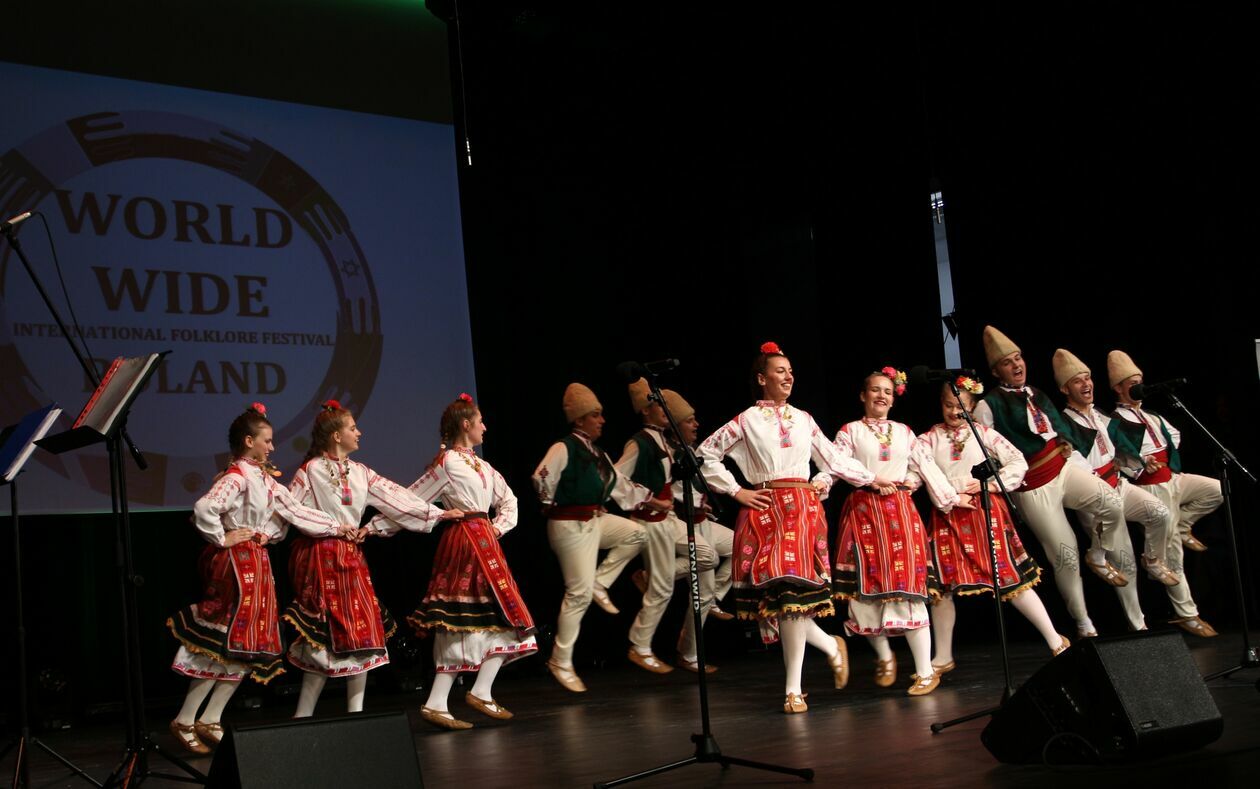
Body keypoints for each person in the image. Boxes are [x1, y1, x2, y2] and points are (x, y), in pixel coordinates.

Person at [698, 342, 874, 713]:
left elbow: (831, 459)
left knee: (792, 595)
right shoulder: (745, 421)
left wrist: (865, 478)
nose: (789, 376)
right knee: (780, 602)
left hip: (801, 511)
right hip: (764, 510)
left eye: (791, 371)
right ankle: (829, 646)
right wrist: (736, 490)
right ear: (762, 378)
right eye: (780, 370)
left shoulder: (804, 419)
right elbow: (704, 455)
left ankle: (793, 689)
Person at [166, 403, 344, 754]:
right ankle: (186, 718)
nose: (272, 447)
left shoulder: (263, 479)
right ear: (249, 441)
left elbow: (295, 510)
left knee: (248, 643)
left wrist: (338, 527)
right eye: (267, 441)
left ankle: (211, 717)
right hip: (236, 564)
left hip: (255, 563)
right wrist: (222, 537)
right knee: (222, 640)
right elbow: (204, 508)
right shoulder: (238, 476)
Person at [371, 394, 539, 729]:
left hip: (486, 543)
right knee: (460, 618)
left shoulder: (483, 466)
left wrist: (497, 527)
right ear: (465, 424)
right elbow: (411, 500)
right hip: (463, 543)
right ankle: (439, 701)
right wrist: (374, 527)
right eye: (480, 421)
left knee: (507, 616)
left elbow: (510, 500)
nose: (485, 427)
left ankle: (479, 690)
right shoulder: (447, 463)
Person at [284, 400, 458, 719]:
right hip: (321, 558)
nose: (359, 433)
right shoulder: (310, 471)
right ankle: (302, 716)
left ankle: (357, 714)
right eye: (353, 428)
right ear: (336, 435)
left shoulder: (361, 472)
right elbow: (291, 510)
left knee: (363, 631)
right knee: (322, 637)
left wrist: (436, 513)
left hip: (351, 558)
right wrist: (332, 526)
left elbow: (396, 498)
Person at [973, 326, 1130, 638]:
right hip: (1034, 486)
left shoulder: (1037, 393)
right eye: (1007, 362)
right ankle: (1083, 623)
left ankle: (1098, 553)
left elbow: (1059, 430)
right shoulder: (988, 405)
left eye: (1018, 358)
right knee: (1065, 555)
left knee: (1112, 503)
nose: (1016, 365)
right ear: (995, 371)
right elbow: (985, 451)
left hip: (1063, 468)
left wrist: (1072, 452)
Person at [917, 379, 1069, 674]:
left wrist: (989, 484)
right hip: (949, 512)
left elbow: (1017, 461)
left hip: (984, 509)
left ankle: (1055, 639)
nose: (954, 412)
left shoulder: (984, 434)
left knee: (1009, 578)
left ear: (972, 406)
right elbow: (925, 471)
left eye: (960, 406)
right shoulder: (928, 439)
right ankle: (943, 656)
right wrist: (951, 496)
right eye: (948, 405)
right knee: (943, 586)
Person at [832, 368, 965, 696]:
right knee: (865, 590)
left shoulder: (904, 432)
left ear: (894, 399)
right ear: (863, 395)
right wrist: (824, 485)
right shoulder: (850, 431)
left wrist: (947, 496)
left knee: (908, 589)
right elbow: (835, 464)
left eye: (887, 392)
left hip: (899, 513)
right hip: (864, 512)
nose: (881, 396)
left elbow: (923, 466)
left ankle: (925, 672)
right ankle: (885, 655)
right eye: (875, 390)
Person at [532, 383, 655, 692]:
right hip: (569, 526)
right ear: (580, 418)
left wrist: (651, 500)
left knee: (637, 533)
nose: (602, 421)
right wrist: (550, 502)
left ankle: (601, 582)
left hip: (593, 521)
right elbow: (542, 475)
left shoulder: (596, 452)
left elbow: (620, 485)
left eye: (601, 415)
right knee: (578, 594)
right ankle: (560, 660)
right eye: (596, 415)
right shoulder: (565, 447)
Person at [1107, 350, 1222, 637]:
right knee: (1173, 553)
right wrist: (1142, 462)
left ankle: (1184, 524)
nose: (1138, 386)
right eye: (1132, 382)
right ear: (1119, 387)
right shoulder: (1116, 419)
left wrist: (1166, 455)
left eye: (1140, 381)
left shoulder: (1152, 416)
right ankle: (1187, 613)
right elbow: (1116, 452)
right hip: (1151, 485)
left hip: (1172, 477)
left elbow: (1174, 435)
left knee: (1217, 490)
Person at [615, 379, 715, 674]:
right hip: (650, 521)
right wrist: (647, 499)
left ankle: (649, 577)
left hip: (667, 519)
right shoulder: (639, 442)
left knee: (706, 555)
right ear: (645, 410)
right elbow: (616, 477)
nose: (663, 409)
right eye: (656, 405)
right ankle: (640, 648)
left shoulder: (662, 441)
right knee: (661, 591)